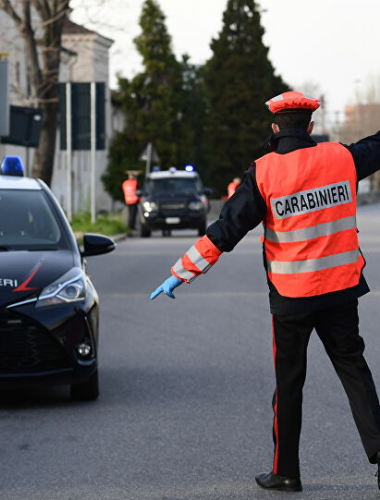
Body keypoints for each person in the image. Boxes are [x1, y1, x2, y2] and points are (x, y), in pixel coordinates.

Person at [150, 90, 380, 492]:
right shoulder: (341, 158)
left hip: (292, 299)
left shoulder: (263, 172)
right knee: (355, 374)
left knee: (289, 384)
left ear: (275, 128)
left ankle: (286, 472)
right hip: (340, 292)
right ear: (310, 127)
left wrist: (182, 272)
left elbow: (226, 230)